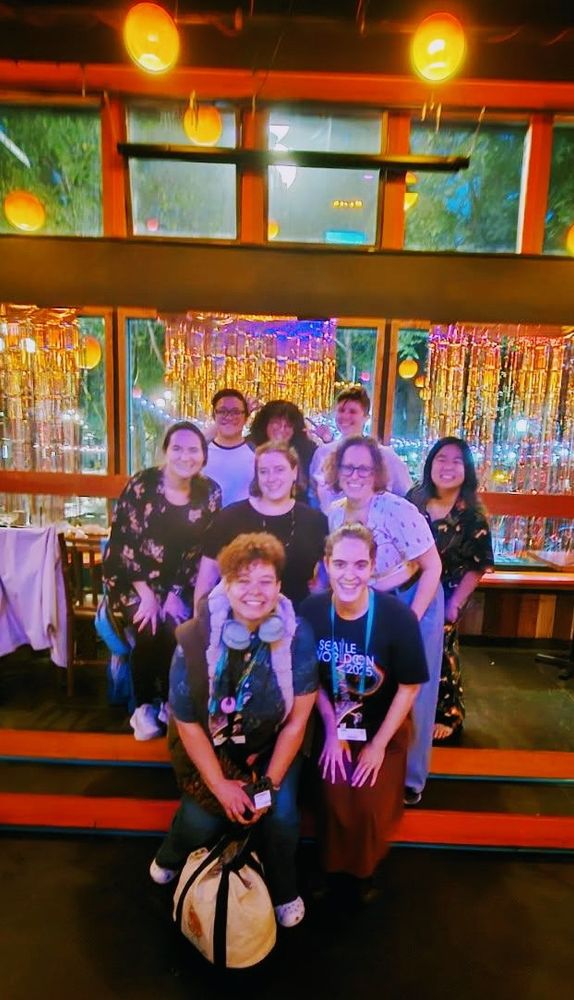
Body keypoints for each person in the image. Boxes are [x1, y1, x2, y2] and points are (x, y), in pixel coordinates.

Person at [149, 532, 318, 929]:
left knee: (282, 816)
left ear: (279, 586)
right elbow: (187, 722)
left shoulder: (299, 635)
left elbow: (297, 721)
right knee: (201, 820)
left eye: (265, 581)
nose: (255, 592)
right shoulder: (194, 637)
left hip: (272, 745)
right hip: (215, 746)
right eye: (243, 580)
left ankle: (283, 885)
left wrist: (269, 786)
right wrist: (222, 785)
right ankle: (170, 854)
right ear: (226, 583)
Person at [299, 524, 428, 899]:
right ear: (326, 564)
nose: (349, 574)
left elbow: (409, 687)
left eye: (359, 564)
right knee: (335, 790)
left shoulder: (397, 617)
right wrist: (331, 728)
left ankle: (361, 873)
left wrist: (376, 746)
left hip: (383, 726)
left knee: (367, 799)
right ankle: (331, 868)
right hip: (333, 721)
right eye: (339, 564)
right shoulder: (311, 610)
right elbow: (309, 679)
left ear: (372, 566)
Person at [324, 435, 443, 806]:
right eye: (348, 467)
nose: (355, 474)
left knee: (414, 690)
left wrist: (411, 620)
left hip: (413, 596)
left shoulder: (396, 509)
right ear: (337, 471)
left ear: (377, 472)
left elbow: (432, 567)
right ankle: (370, 764)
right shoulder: (335, 511)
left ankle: (412, 779)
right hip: (370, 602)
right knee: (371, 684)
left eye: (363, 467)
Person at [103, 421, 221, 741]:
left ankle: (170, 703)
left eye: (193, 449)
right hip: (131, 579)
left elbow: (201, 552)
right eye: (178, 448)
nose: (186, 456)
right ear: (166, 451)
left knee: (177, 626)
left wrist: (175, 593)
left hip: (178, 583)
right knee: (149, 625)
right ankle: (142, 707)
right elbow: (123, 543)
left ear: (204, 455)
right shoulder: (143, 484)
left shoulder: (210, 493)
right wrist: (148, 595)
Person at [407, 437, 494, 741]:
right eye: (442, 459)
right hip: (407, 588)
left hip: (445, 594)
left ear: (466, 470)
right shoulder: (414, 499)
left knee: (442, 653)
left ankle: (449, 714)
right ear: (431, 463)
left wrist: (456, 602)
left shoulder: (472, 515)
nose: (448, 466)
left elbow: (478, 564)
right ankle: (405, 711)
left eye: (457, 461)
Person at [194, 442, 328, 612]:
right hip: (237, 625)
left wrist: (320, 588)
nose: (271, 478)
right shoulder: (230, 517)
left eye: (279, 470)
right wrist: (200, 624)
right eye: (264, 471)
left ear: (294, 472)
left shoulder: (314, 520)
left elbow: (329, 569)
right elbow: (207, 577)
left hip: (297, 622)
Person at [309, 386, 412, 512]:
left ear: (366, 417)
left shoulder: (385, 456)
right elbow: (313, 496)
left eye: (352, 412)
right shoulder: (323, 453)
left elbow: (405, 494)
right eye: (341, 410)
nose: (345, 416)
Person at [248, 399, 317, 502]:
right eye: (276, 423)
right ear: (264, 424)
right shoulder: (248, 447)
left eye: (288, 425)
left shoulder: (308, 451)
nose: (282, 429)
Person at [203, 388, 255, 508]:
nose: (229, 417)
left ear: (246, 417)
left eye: (236, 412)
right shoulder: (199, 453)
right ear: (213, 415)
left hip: (245, 524)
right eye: (222, 411)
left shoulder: (257, 455)